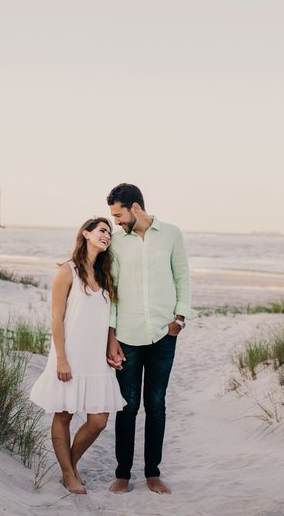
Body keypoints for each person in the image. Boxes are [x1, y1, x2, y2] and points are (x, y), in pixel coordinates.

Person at [106, 183, 194, 494]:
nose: (115, 221)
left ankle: (152, 473)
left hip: (163, 335)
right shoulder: (116, 244)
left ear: (136, 208)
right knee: (127, 407)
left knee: (155, 403)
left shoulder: (172, 234)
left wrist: (179, 320)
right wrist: (112, 336)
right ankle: (123, 474)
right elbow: (113, 293)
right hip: (128, 337)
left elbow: (182, 276)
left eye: (118, 214)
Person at [30, 217, 126, 495]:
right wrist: (61, 358)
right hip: (70, 353)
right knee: (64, 414)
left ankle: (70, 465)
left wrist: (112, 343)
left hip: (96, 358)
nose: (107, 235)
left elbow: (109, 318)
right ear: (85, 233)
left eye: (110, 232)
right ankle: (68, 474)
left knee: (99, 420)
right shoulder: (67, 271)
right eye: (102, 230)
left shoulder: (106, 274)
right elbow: (56, 319)